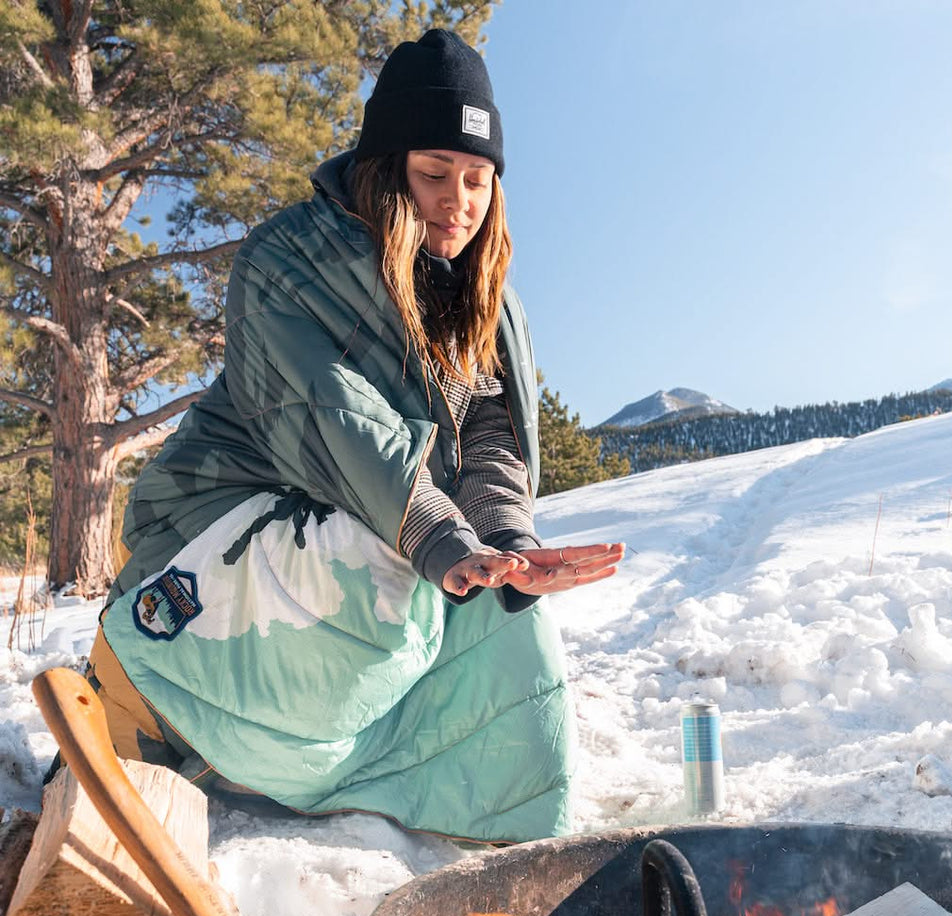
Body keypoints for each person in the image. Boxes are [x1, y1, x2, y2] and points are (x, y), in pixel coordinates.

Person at [83, 29, 624, 843]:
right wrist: (440, 535)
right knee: (379, 570)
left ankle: (430, 803)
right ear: (386, 168)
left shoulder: (481, 296)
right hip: (223, 524)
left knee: (505, 614)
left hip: (386, 512)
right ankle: (146, 685)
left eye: (478, 180)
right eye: (435, 174)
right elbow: (336, 420)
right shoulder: (288, 259)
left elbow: (486, 439)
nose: (458, 201)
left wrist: (506, 544)